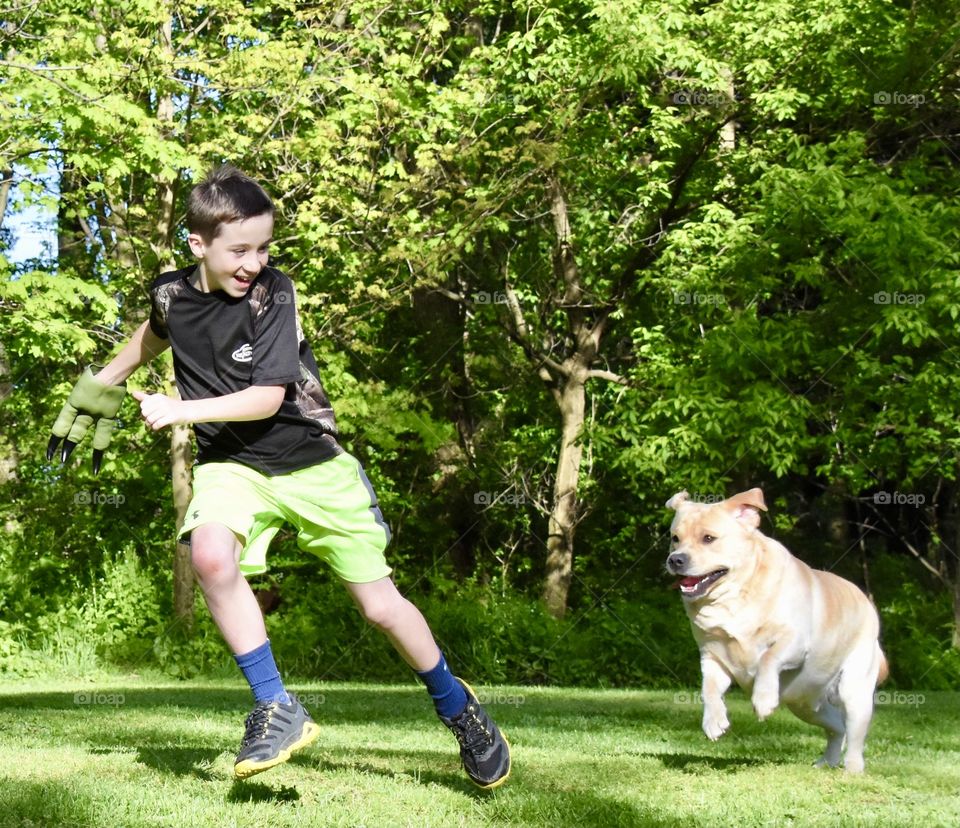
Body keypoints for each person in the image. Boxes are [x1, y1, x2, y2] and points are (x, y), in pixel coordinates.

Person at [46, 164, 511, 788]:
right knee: (209, 556)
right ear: (198, 245)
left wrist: (182, 409)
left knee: (380, 608)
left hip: (310, 463)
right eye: (239, 249)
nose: (253, 262)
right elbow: (156, 333)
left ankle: (460, 709)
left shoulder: (274, 294)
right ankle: (275, 704)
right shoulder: (171, 293)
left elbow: (267, 397)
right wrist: (105, 379)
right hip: (231, 466)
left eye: (263, 248)